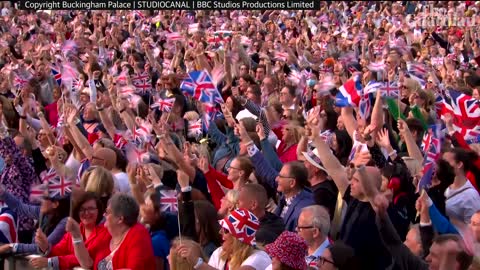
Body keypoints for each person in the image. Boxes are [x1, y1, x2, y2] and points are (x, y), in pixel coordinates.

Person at [71, 193, 156, 270]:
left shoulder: (138, 233)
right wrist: (76, 236)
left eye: (108, 212)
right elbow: (87, 263)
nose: (104, 215)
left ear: (120, 219)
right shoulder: (106, 233)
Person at [30, 192, 108, 270]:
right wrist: (45, 246)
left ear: (99, 210)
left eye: (91, 208)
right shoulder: (72, 232)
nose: (86, 213)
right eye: (82, 209)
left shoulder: (105, 233)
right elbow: (57, 251)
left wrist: (52, 262)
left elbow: (85, 259)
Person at [177, 208, 271, 270]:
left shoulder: (259, 257)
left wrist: (198, 263)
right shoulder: (219, 253)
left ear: (238, 238)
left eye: (226, 230)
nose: (220, 232)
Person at [0, 183, 70, 255]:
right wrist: (3, 193)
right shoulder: (41, 212)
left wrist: (11, 247)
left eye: (44, 198)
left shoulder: (65, 222)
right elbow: (19, 207)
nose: (40, 201)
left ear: (55, 204)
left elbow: (42, 247)